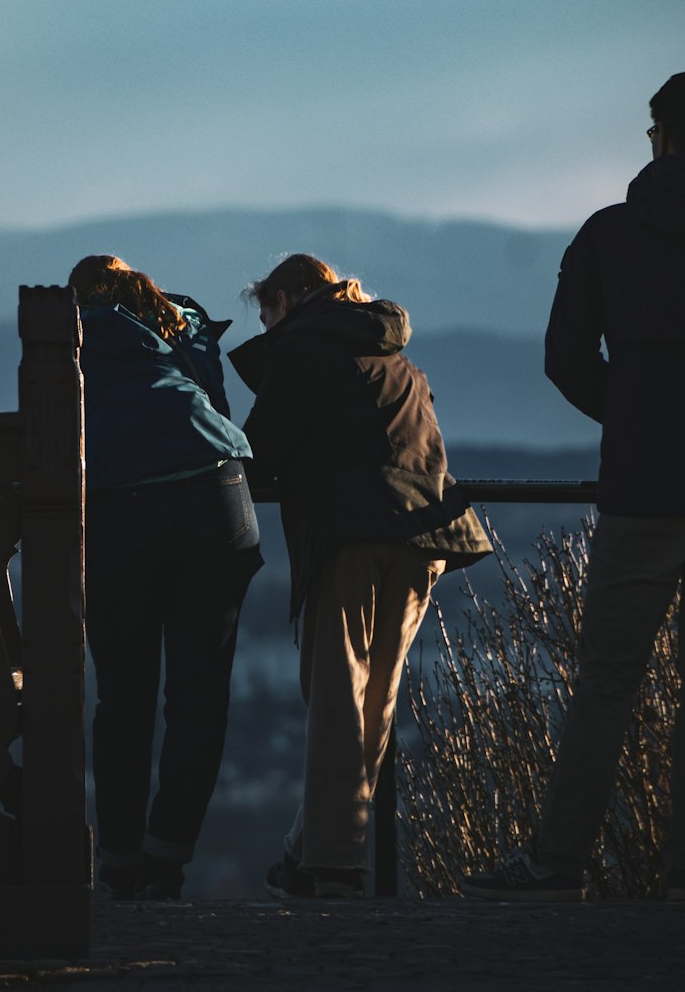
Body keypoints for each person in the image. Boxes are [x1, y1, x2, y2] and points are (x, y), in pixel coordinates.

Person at [462, 70, 685, 905]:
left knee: (607, 680)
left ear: (658, 137)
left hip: (642, 487)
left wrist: (634, 413)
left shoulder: (609, 236)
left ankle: (557, 862)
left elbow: (563, 359)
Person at [229, 253, 491, 900]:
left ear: (285, 302)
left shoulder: (302, 347)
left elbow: (260, 451)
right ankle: (313, 849)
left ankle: (334, 864)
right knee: (374, 703)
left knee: (336, 694)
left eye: (265, 318)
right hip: (422, 534)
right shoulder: (395, 356)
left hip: (349, 531)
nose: (266, 333)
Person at [71, 254, 262, 901]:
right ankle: (164, 861)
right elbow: (215, 407)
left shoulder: (70, 335)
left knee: (123, 697)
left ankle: (119, 861)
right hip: (218, 498)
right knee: (198, 695)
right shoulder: (183, 324)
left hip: (120, 506)